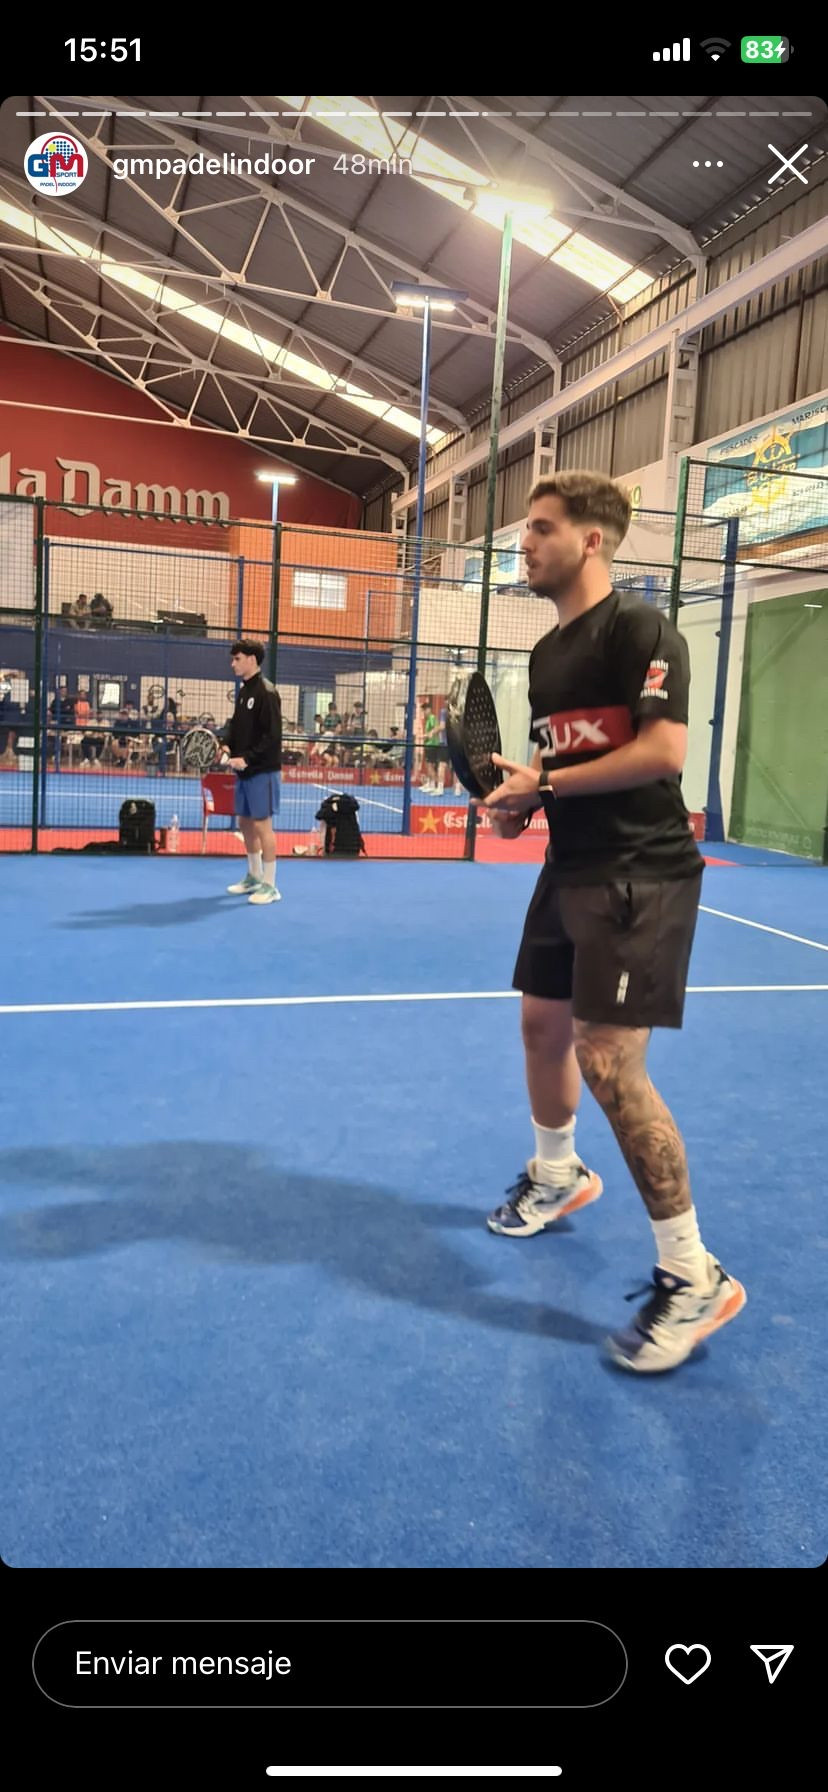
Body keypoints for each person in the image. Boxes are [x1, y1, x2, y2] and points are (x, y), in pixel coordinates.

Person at [481, 470, 746, 1374]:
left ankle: (694, 1273)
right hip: (570, 865)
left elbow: (663, 751)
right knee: (540, 1025)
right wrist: (523, 803)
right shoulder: (544, 656)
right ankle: (559, 1174)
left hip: (641, 873)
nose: (525, 543)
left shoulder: (643, 631)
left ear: (591, 539)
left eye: (541, 528)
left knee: (606, 1060)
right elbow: (559, 766)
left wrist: (547, 784)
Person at [222, 640, 282, 906]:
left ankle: (270, 885)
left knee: (262, 825)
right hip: (244, 772)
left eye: (237, 659)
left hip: (262, 771)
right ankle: (254, 877)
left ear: (252, 660)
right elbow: (236, 727)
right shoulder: (244, 691)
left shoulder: (267, 692)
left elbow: (272, 736)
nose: (232, 664)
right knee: (245, 823)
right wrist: (227, 745)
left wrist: (247, 759)